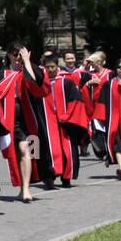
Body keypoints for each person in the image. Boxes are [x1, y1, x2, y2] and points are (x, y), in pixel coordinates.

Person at [0, 43, 48, 202]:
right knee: (15, 153)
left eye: (21, 54)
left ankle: (26, 189)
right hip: (9, 119)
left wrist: (27, 62)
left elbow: (40, 87)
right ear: (9, 55)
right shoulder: (1, 74)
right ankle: (21, 186)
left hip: (29, 118)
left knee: (28, 149)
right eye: (15, 54)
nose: (18, 58)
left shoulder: (31, 69)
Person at [36, 52, 88, 187]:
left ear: (58, 67)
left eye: (53, 67)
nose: (50, 70)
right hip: (47, 122)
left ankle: (66, 177)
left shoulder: (66, 82)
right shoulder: (40, 85)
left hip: (65, 122)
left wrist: (66, 116)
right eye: (47, 67)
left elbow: (76, 101)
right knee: (49, 150)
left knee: (67, 149)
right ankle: (49, 177)